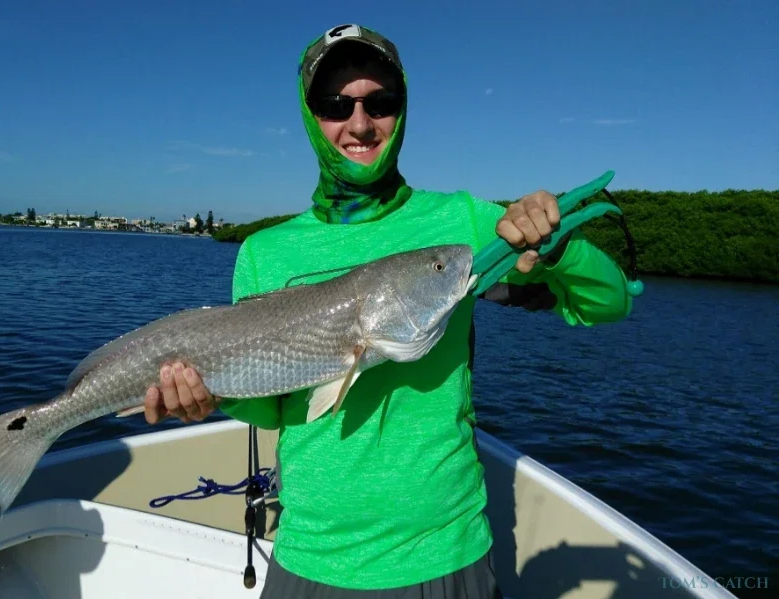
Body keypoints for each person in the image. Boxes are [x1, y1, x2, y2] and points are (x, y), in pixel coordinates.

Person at [143, 24, 633, 598]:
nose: (359, 124)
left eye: (381, 102)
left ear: (402, 111)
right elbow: (272, 413)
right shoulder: (263, 253)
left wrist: (559, 248)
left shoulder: (460, 225)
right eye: (335, 105)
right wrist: (210, 395)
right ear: (310, 116)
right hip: (309, 557)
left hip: (446, 554)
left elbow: (608, 303)